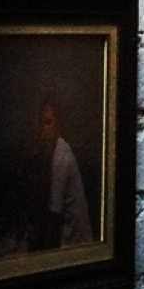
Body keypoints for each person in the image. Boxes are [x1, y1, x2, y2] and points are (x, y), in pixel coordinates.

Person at [34, 99, 93, 249]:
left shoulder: (61, 157)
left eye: (48, 122)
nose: (42, 128)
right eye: (41, 123)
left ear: (58, 125)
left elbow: (54, 214)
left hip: (75, 243)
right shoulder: (53, 152)